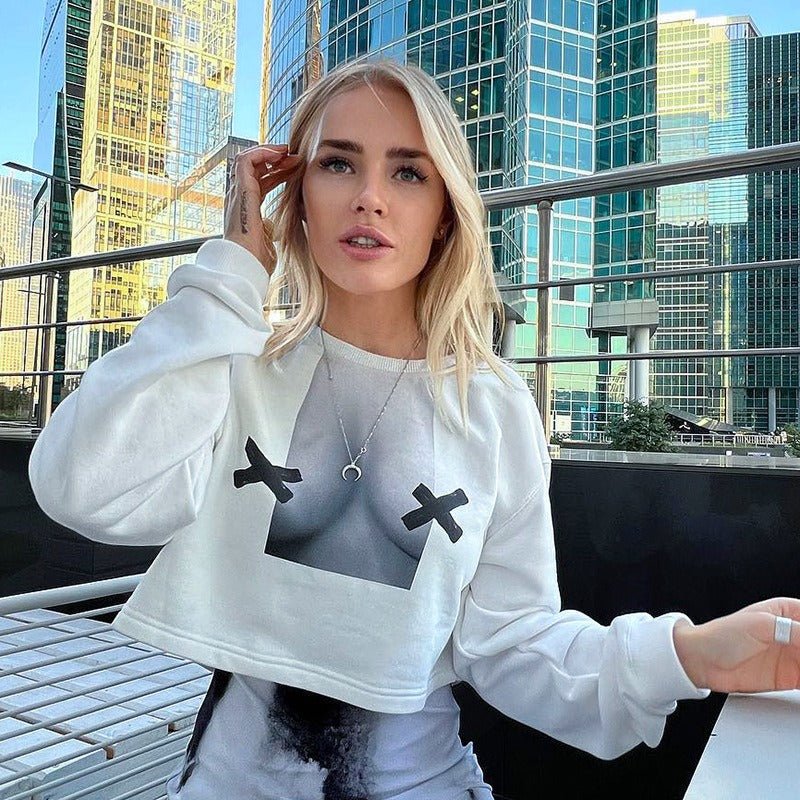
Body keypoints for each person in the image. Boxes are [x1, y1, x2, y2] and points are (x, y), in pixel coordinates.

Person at [28, 59, 800, 800]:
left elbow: (510, 642)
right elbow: (81, 490)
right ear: (294, 197)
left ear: (442, 215)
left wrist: (686, 654)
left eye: (407, 171)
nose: (370, 197)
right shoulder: (233, 362)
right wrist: (230, 272)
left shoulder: (492, 407)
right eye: (337, 164)